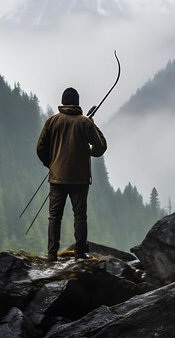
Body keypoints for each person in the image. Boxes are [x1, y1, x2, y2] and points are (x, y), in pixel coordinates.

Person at [36, 87, 107, 262]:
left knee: (55, 216)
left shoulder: (52, 122)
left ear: (63, 101)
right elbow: (100, 148)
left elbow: (40, 148)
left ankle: (52, 254)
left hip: (57, 177)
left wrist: (51, 164)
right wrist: (88, 143)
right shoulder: (85, 123)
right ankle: (80, 253)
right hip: (80, 179)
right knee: (80, 215)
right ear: (77, 102)